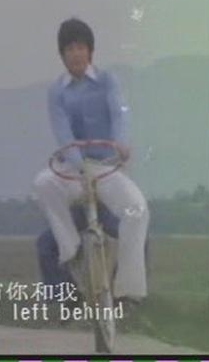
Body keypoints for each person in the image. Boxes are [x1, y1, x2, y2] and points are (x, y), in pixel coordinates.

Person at [33, 18, 149, 302]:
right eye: (69, 49)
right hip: (74, 170)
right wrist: (78, 165)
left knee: (137, 210)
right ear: (62, 55)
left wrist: (119, 143)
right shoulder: (56, 91)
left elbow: (119, 114)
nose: (76, 54)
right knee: (43, 183)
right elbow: (63, 132)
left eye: (80, 47)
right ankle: (69, 248)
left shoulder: (108, 81)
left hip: (105, 169)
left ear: (90, 51)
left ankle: (128, 292)